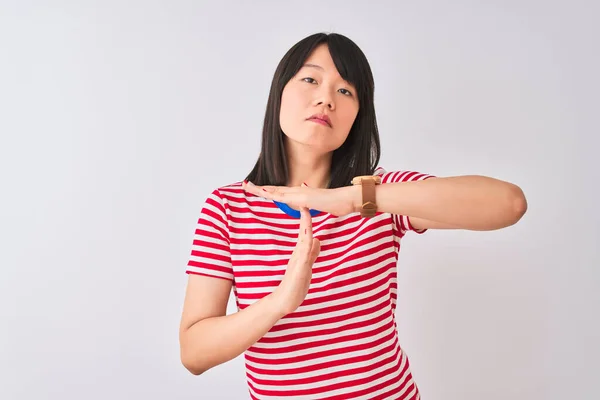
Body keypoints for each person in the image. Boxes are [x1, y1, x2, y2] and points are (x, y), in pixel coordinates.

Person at [178, 32, 527, 400]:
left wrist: (349, 199)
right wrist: (282, 300)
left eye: (345, 91)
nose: (325, 99)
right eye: (310, 79)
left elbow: (508, 204)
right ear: (279, 92)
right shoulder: (228, 207)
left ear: (358, 115)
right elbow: (194, 353)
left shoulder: (377, 196)